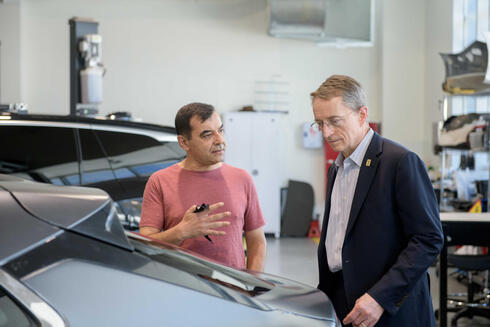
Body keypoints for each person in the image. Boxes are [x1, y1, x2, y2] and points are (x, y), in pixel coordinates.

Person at [312, 75, 443, 327]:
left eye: (334, 121)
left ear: (362, 115)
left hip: (389, 307)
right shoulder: (336, 168)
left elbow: (428, 239)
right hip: (345, 303)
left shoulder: (399, 162)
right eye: (319, 123)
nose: (326, 132)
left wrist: (379, 298)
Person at [139, 102, 266, 271]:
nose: (219, 140)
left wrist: (253, 284)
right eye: (207, 135)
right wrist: (181, 232)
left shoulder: (242, 179)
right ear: (184, 142)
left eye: (220, 130)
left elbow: (257, 241)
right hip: (181, 287)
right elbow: (146, 245)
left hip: (234, 291)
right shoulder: (159, 181)